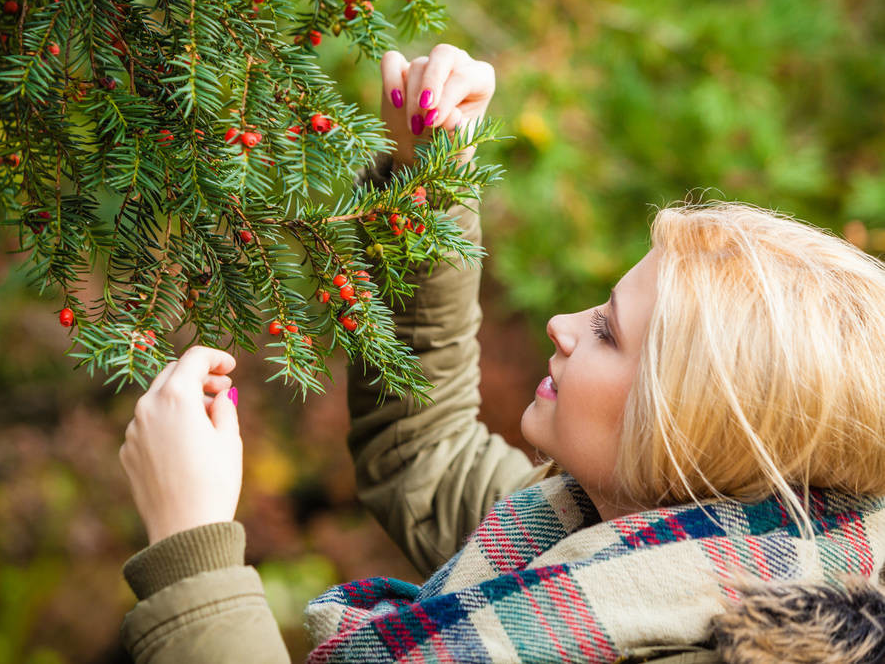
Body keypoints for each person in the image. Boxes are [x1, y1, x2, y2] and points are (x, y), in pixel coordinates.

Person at [116, 44, 885, 663]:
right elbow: (421, 454)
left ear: (686, 432)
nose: (561, 323)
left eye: (608, 333)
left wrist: (192, 550)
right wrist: (431, 188)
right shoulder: (604, 534)